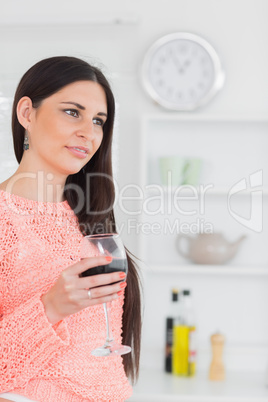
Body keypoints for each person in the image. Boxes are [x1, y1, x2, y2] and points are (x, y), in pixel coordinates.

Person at [0, 56, 142, 402]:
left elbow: (101, 360)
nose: (88, 132)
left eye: (98, 120)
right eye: (72, 112)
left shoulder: (91, 217)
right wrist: (51, 308)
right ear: (27, 114)